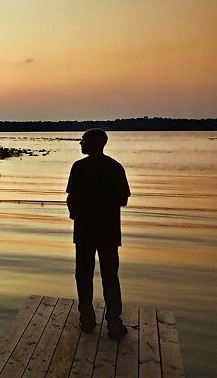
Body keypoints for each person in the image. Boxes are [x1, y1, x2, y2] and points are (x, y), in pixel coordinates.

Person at [66, 128, 130, 339]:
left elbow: (71, 199)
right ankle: (114, 323)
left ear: (93, 143)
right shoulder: (114, 167)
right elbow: (123, 199)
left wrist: (77, 214)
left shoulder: (79, 168)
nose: (80, 143)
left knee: (83, 275)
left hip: (85, 231)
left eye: (83, 140)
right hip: (109, 231)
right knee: (110, 276)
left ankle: (87, 320)